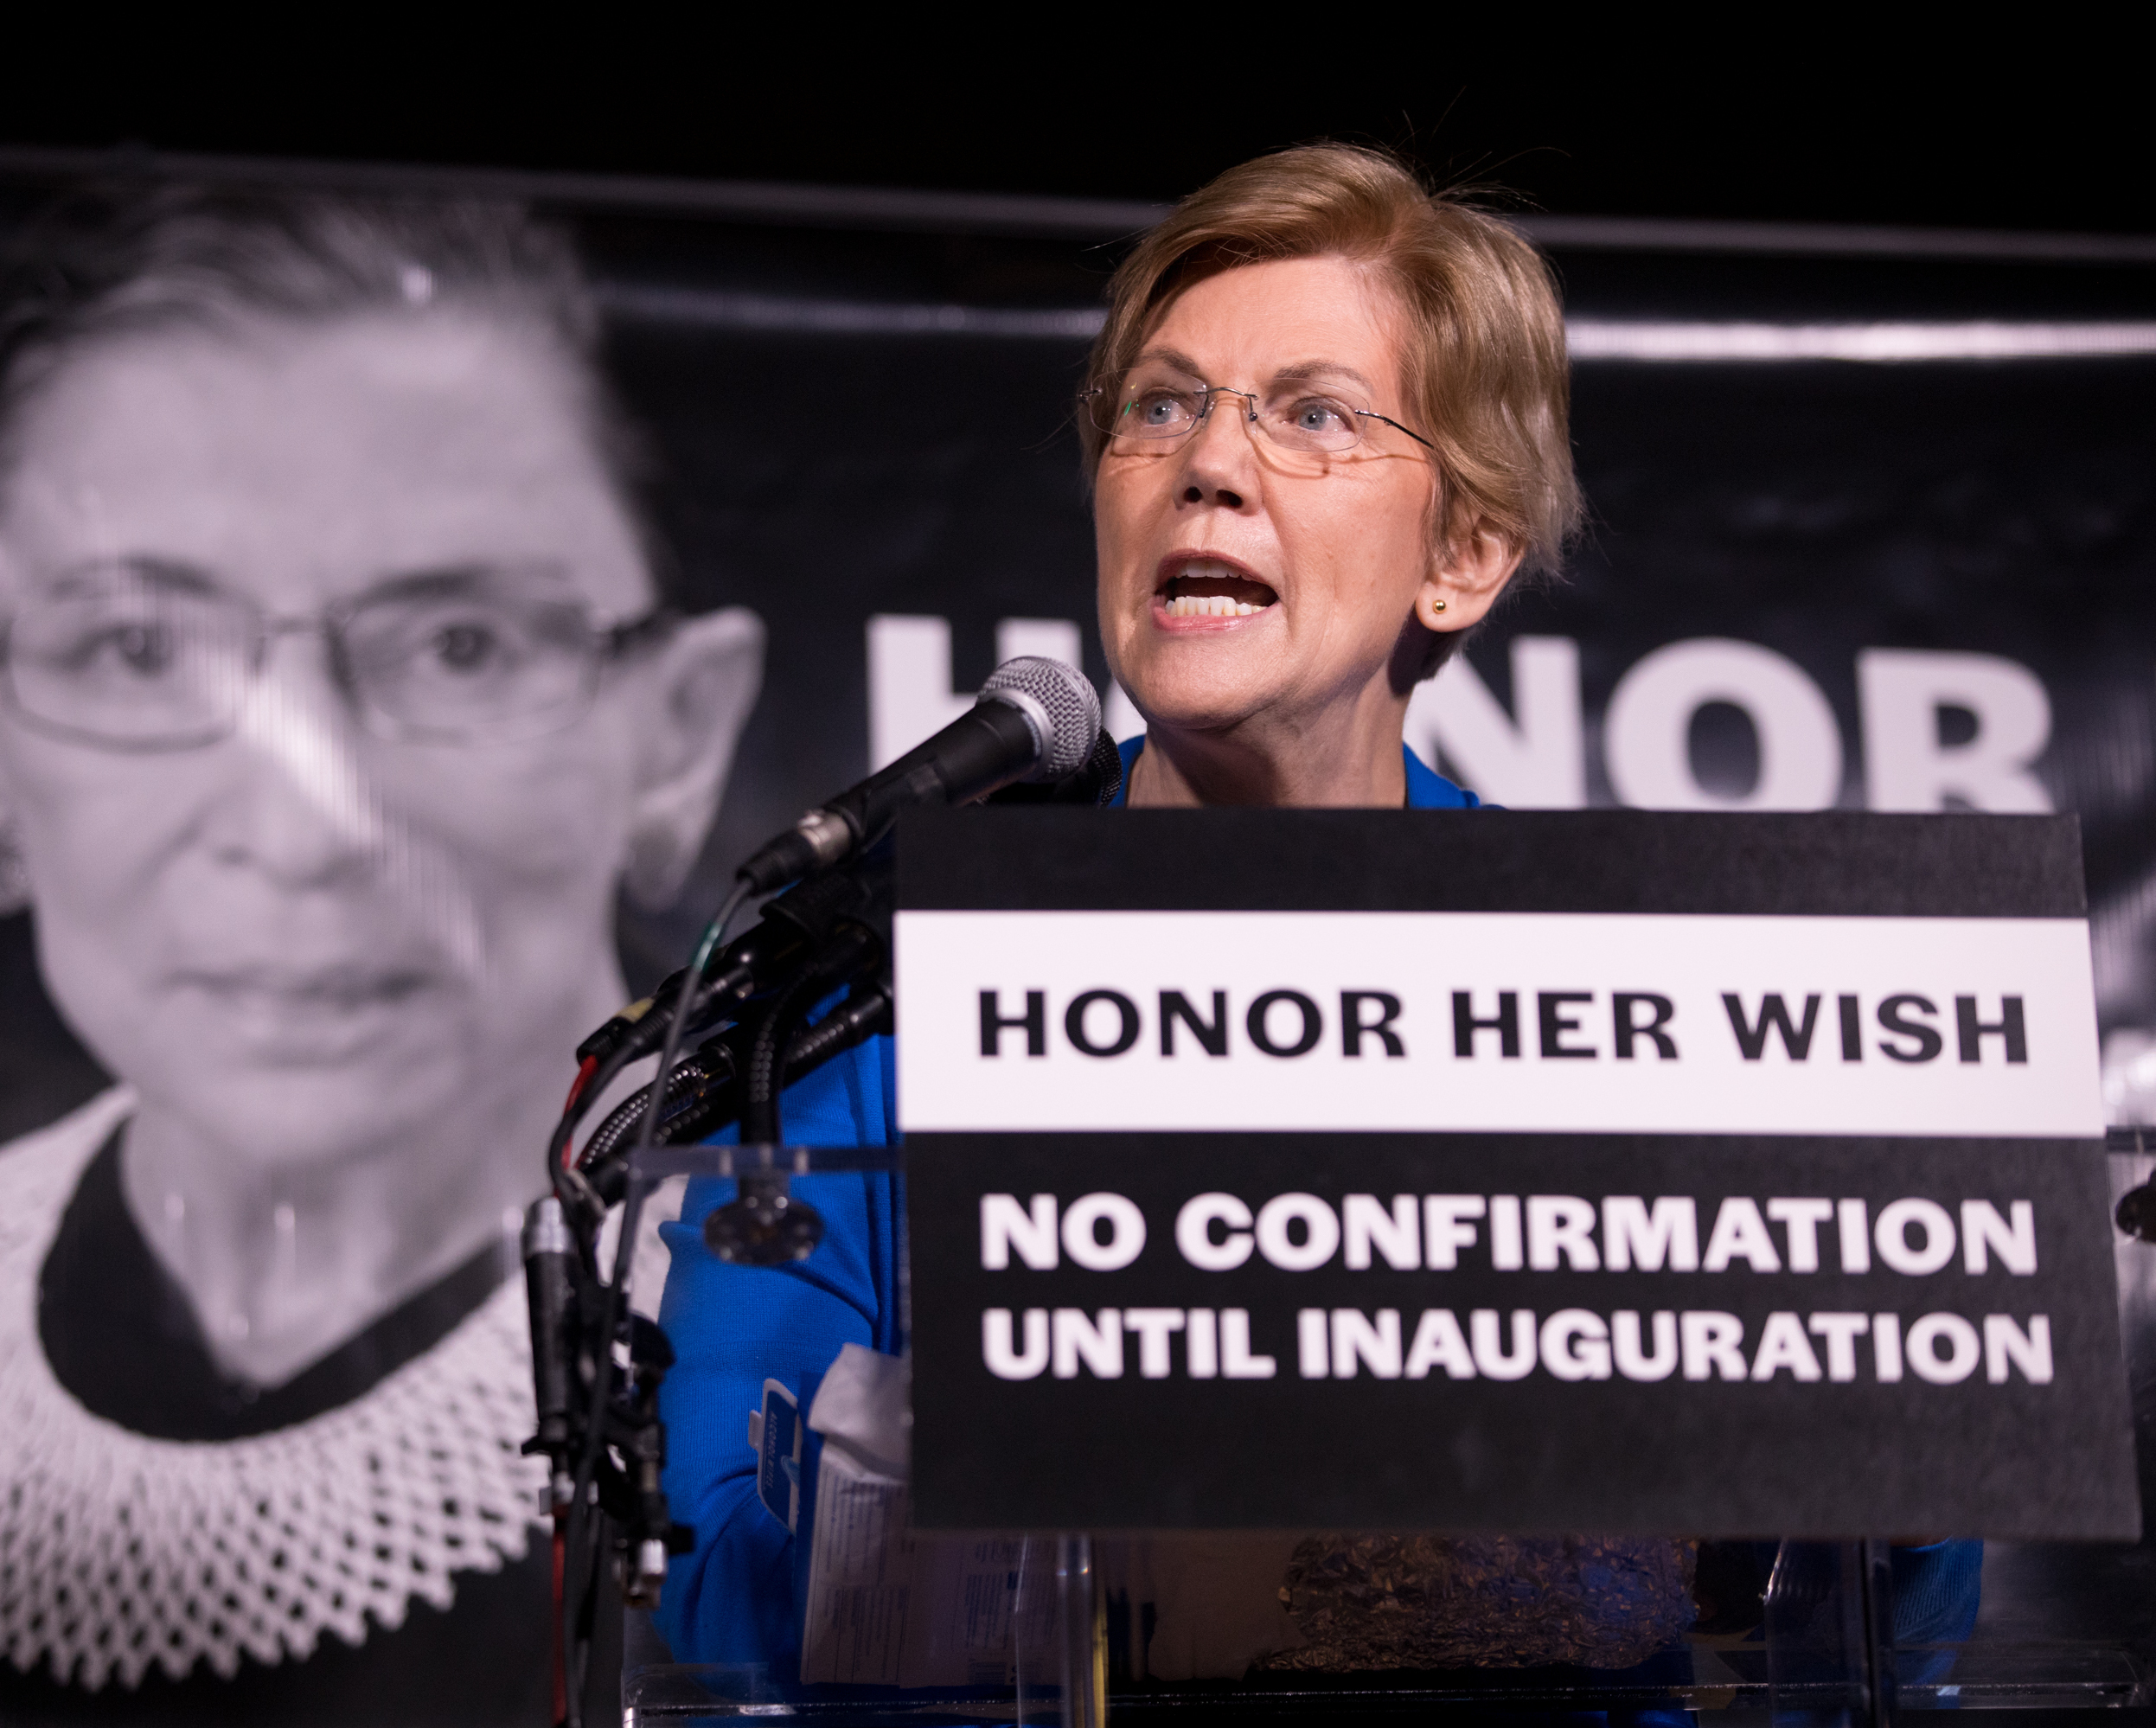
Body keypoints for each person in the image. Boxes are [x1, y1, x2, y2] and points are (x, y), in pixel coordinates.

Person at [651, 144, 1981, 1687]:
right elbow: (718, 1555)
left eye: (1312, 412)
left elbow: (1875, 1618)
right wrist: (1146, 1579)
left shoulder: (1647, 1001)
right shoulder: (879, 996)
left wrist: (1880, 1425)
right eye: (1159, 404)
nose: (1208, 461)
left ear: (1466, 554)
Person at [0, 186, 762, 1721]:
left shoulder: (842, 1395)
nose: (306, 821)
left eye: (460, 642)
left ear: (674, 738)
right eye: (136, 646)